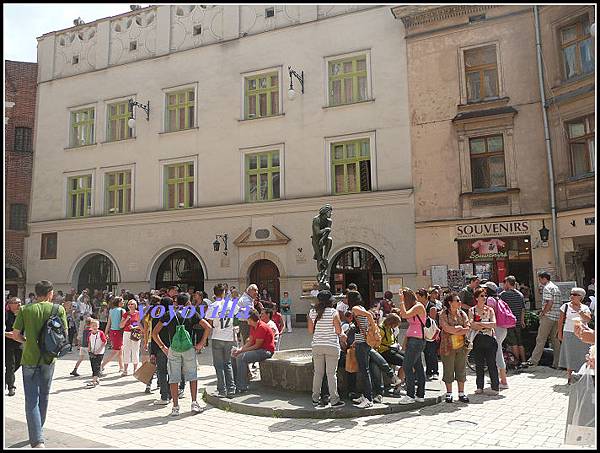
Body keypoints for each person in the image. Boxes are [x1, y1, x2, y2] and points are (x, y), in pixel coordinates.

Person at [9, 280, 68, 448]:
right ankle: (38, 431)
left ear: (35, 293)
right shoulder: (59, 309)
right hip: (49, 358)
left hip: (29, 358)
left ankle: (37, 439)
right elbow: (64, 334)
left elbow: (15, 334)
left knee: (31, 399)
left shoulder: (26, 309)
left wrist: (26, 341)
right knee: (44, 395)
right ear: (49, 293)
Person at [152, 293, 211, 416]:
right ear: (188, 302)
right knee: (192, 376)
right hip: (188, 349)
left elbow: (154, 333)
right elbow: (208, 327)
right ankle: (194, 403)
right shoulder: (191, 313)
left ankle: (175, 407)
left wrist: (163, 347)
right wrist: (201, 343)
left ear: (175, 302)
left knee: (174, 378)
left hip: (173, 349)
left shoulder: (168, 314)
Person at [308, 290, 346, 408]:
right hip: (331, 346)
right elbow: (339, 330)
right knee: (331, 374)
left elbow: (310, 331)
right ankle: (334, 400)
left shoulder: (312, 312)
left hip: (317, 345)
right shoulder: (333, 312)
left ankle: (315, 398)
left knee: (318, 373)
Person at [395, 288, 427, 404]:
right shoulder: (414, 307)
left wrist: (402, 301)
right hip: (414, 340)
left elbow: (404, 314)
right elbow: (404, 314)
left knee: (407, 366)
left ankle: (410, 395)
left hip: (416, 341)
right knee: (418, 367)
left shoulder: (418, 306)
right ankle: (420, 395)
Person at [231, 309, 275, 393]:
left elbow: (257, 345)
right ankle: (235, 383)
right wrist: (240, 349)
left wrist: (242, 352)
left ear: (251, 319)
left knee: (241, 358)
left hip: (266, 351)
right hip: (258, 349)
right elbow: (250, 342)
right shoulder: (253, 326)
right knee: (234, 356)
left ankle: (242, 386)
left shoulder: (262, 327)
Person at [206, 284, 238, 398]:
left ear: (215, 294)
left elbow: (209, 323)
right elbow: (237, 314)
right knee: (227, 363)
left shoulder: (213, 306)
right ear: (224, 292)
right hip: (229, 337)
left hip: (217, 336)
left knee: (218, 365)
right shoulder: (231, 304)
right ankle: (231, 389)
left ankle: (222, 390)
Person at [526, 271, 562, 368]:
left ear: (544, 278)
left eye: (540, 279)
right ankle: (557, 363)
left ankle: (533, 361)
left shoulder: (547, 288)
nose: (539, 281)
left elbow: (549, 303)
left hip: (548, 316)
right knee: (555, 340)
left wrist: (542, 313)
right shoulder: (556, 287)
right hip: (556, 316)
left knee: (541, 339)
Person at [439, 293, 470, 403]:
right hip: (447, 346)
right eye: (457, 300)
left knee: (461, 369)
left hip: (461, 346)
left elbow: (468, 327)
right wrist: (458, 328)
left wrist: (457, 329)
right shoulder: (443, 314)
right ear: (450, 303)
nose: (459, 302)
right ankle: (449, 393)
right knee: (448, 369)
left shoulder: (462, 314)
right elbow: (446, 329)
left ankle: (461, 393)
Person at [557, 288, 592, 384]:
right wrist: (559, 333)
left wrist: (578, 310)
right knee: (569, 355)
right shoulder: (565, 306)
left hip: (582, 334)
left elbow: (588, 319)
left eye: (575, 294)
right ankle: (570, 377)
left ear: (580, 297)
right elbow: (560, 321)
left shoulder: (584, 307)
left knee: (583, 354)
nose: (572, 296)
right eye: (571, 294)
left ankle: (582, 375)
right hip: (568, 332)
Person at [469, 287, 499, 395]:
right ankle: (479, 386)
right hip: (478, 339)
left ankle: (495, 387)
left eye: (485, 295)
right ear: (476, 298)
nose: (484, 298)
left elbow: (494, 324)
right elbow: (471, 325)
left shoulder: (490, 310)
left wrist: (480, 324)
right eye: (482, 296)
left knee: (492, 363)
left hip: (490, 339)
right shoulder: (472, 310)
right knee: (479, 364)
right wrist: (485, 325)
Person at [348, 290, 375, 408]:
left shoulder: (355, 309)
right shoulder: (360, 307)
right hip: (362, 342)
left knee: (364, 370)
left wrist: (375, 328)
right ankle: (365, 396)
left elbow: (369, 316)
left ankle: (368, 399)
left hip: (362, 344)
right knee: (364, 369)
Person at [500, 276, 526, 366]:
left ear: (507, 282)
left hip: (509, 322)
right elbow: (523, 309)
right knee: (520, 342)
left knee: (513, 342)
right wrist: (522, 320)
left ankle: (516, 362)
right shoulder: (520, 294)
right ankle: (523, 361)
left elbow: (501, 308)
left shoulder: (504, 294)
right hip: (518, 320)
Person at [101, 297, 126, 374]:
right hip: (119, 332)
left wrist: (105, 333)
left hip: (112, 331)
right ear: (118, 302)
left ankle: (121, 367)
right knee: (116, 351)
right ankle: (101, 366)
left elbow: (109, 323)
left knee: (120, 350)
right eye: (122, 301)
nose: (123, 302)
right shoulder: (122, 310)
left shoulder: (111, 310)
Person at [418, 288, 439, 380]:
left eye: (419, 296)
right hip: (422, 332)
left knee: (432, 352)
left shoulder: (431, 305)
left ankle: (435, 371)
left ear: (424, 297)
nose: (417, 299)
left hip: (430, 331)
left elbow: (433, 319)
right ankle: (428, 371)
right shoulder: (419, 305)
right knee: (426, 352)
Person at [5, 297, 23, 396]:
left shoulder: (22, 315)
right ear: (10, 304)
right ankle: (11, 387)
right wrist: (7, 334)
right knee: (10, 365)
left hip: (20, 343)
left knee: (19, 362)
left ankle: (7, 378)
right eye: (16, 303)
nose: (19, 304)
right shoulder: (6, 315)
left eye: (20, 302)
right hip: (8, 344)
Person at [120, 297, 141, 376]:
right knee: (126, 350)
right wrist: (126, 319)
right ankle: (125, 370)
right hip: (126, 333)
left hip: (135, 332)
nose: (130, 305)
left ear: (135, 305)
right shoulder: (126, 314)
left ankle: (135, 369)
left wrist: (134, 327)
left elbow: (142, 325)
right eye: (128, 304)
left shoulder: (139, 313)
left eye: (132, 304)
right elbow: (121, 325)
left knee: (135, 350)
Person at [86, 319, 107, 388]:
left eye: (96, 325)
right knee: (93, 365)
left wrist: (99, 350)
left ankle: (94, 381)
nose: (94, 327)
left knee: (97, 366)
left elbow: (104, 342)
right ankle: (97, 378)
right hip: (92, 352)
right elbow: (89, 342)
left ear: (98, 326)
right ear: (90, 326)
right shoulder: (90, 333)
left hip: (99, 352)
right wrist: (89, 348)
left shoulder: (100, 333)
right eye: (93, 326)